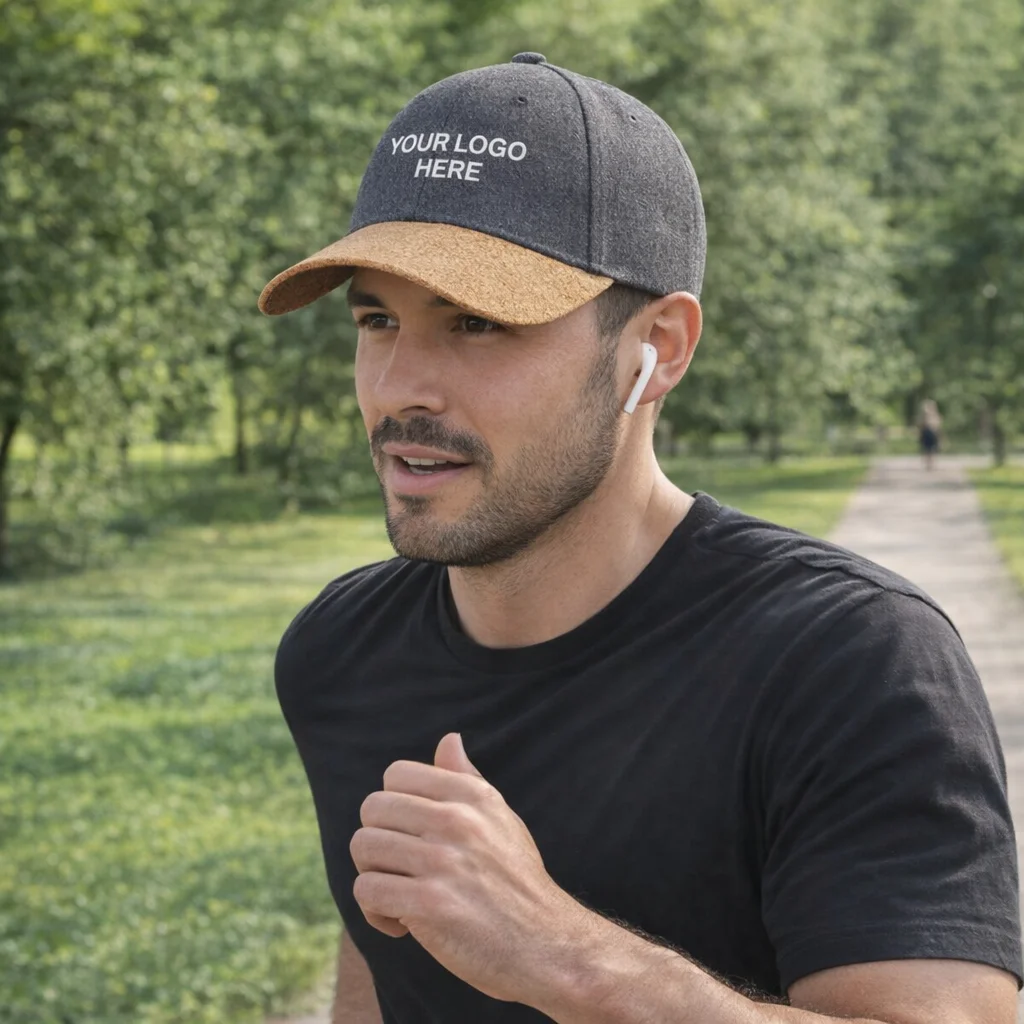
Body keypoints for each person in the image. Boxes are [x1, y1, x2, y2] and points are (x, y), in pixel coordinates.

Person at [260, 54, 1022, 1024]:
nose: (403, 383)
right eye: (377, 318)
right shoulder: (340, 651)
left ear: (656, 347)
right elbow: (380, 947)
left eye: (478, 322)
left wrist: (572, 962)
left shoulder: (848, 658)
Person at [918, 398, 943, 470]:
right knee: (926, 449)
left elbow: (938, 426)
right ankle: (928, 463)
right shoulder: (924, 416)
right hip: (926, 433)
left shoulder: (936, 416)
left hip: (933, 434)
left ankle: (931, 463)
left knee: (933, 449)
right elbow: (921, 425)